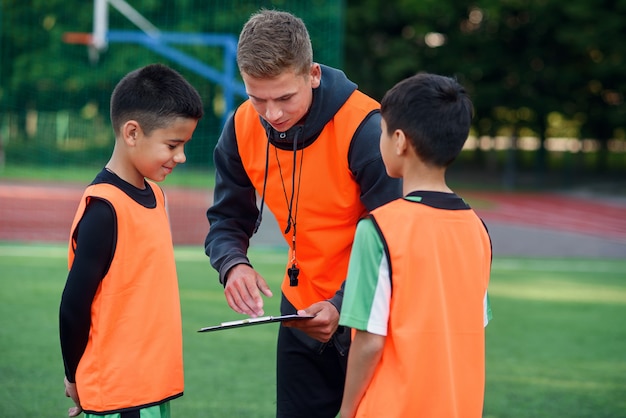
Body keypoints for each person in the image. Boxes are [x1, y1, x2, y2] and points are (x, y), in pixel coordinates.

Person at [204, 9, 402, 418]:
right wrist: (233, 264)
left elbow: (400, 238)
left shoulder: (367, 129)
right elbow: (226, 220)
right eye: (257, 97)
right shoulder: (241, 126)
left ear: (312, 74)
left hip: (371, 318)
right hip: (299, 313)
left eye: (284, 98)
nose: (272, 114)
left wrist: (344, 305)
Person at [338, 73, 493, 418]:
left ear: (399, 141)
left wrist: (347, 409)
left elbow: (369, 339)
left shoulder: (378, 228)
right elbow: (472, 328)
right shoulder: (478, 230)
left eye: (380, 132)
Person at [59, 63, 203, 418]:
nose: (181, 157)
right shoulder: (104, 209)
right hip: (121, 395)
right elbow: (73, 306)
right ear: (132, 133)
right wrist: (75, 378)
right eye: (173, 144)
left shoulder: (156, 195)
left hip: (150, 389)